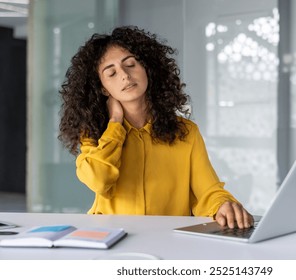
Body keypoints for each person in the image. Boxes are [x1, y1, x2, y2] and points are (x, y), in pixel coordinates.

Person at [58, 25, 253, 229]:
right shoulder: (93, 133)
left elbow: (208, 190)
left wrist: (223, 205)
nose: (124, 75)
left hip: (170, 240)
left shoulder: (186, 132)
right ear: (103, 89)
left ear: (147, 68)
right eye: (111, 73)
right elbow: (99, 180)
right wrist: (115, 122)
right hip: (110, 238)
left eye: (131, 64)